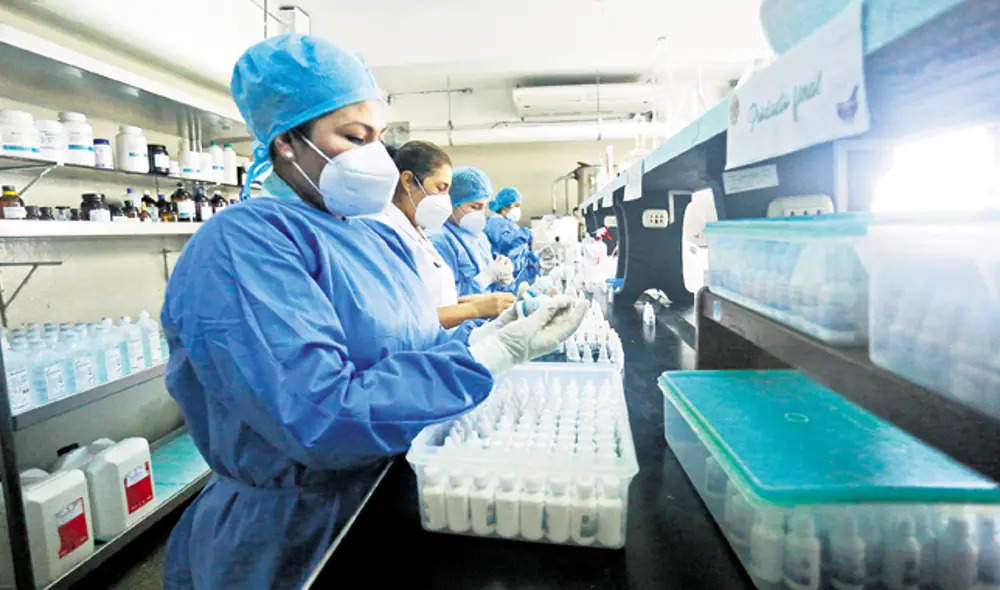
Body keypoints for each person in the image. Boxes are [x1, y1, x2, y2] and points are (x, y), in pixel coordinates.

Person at [160, 34, 587, 590]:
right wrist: (487, 358)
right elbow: (318, 416)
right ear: (287, 141)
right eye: (354, 137)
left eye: (379, 138)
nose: (375, 156)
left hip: (384, 487)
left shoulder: (365, 235)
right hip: (293, 532)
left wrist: (484, 335)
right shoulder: (243, 246)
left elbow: (410, 345)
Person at [376, 141, 515, 328]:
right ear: (408, 181)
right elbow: (400, 319)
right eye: (440, 188)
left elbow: (432, 302)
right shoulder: (385, 233)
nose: (444, 200)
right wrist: (474, 310)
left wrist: (478, 302)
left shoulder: (415, 231)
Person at [429, 166, 514, 297]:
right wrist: (485, 278)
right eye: (475, 207)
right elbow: (446, 299)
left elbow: (490, 290)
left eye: (484, 207)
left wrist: (502, 279)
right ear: (452, 203)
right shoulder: (438, 240)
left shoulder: (479, 237)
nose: (482, 213)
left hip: (487, 316)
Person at [485, 186, 540, 289]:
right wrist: (525, 233)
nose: (519, 209)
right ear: (505, 206)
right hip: (503, 281)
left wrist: (531, 257)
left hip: (514, 279)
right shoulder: (495, 222)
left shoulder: (510, 224)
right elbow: (505, 244)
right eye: (516, 205)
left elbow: (517, 251)